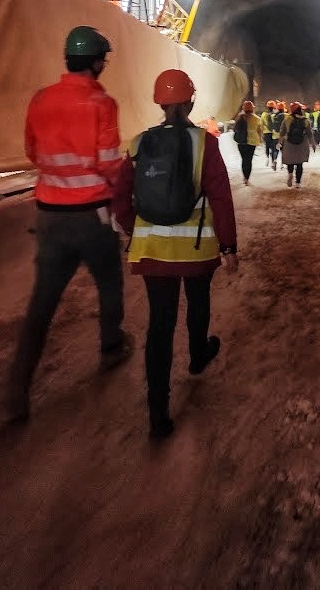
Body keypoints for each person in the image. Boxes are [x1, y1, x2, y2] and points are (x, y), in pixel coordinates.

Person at [7, 26, 133, 423]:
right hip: (92, 215)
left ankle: (16, 389)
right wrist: (124, 191)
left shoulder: (40, 99)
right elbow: (108, 162)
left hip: (49, 216)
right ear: (96, 63)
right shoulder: (102, 103)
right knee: (109, 284)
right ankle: (111, 347)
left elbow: (32, 151)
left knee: (42, 302)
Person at [113, 68, 238, 439]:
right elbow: (221, 197)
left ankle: (158, 414)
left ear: (160, 103)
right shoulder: (204, 143)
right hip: (196, 249)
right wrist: (229, 245)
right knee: (198, 301)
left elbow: (120, 198)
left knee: (160, 325)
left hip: (152, 250)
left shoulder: (139, 143)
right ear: (190, 101)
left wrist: (135, 228)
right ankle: (198, 355)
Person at [278, 101, 316, 187]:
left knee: (290, 161)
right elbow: (310, 134)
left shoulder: (287, 119)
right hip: (302, 144)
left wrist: (279, 142)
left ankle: (290, 174)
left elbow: (282, 132)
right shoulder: (306, 120)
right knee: (299, 163)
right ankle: (298, 183)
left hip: (289, 143)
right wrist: (313, 144)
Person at [233, 100, 262, 185]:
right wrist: (260, 140)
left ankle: (245, 176)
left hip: (241, 142)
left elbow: (235, 129)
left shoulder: (239, 117)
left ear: (243, 108)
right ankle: (247, 178)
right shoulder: (257, 119)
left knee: (244, 159)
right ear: (252, 108)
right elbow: (259, 131)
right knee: (249, 160)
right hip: (252, 142)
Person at [260, 99, 276, 167]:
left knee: (267, 146)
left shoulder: (264, 114)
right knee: (273, 147)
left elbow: (261, 124)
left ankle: (267, 158)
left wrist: (261, 133)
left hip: (266, 133)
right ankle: (273, 160)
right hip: (274, 133)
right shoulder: (275, 115)